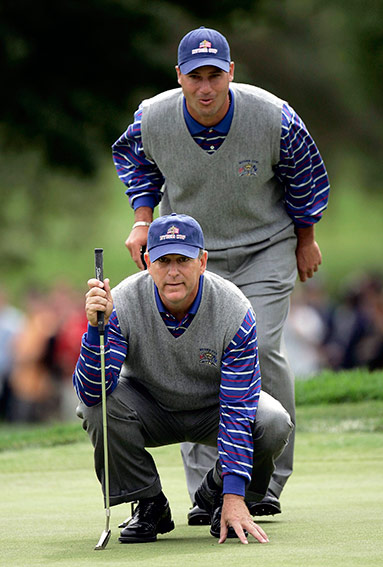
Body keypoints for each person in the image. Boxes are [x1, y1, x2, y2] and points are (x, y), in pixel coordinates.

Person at [112, 26, 330, 523]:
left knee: (260, 345)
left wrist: (306, 238)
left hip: (264, 246)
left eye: (215, 75)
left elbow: (306, 174)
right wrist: (143, 220)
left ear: (231, 73)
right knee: (190, 354)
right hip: (187, 254)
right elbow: (137, 163)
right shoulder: (153, 116)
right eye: (195, 77)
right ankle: (205, 492)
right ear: (180, 78)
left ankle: (264, 481)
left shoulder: (273, 116)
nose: (205, 87)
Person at [73, 213, 293, 544]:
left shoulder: (234, 310)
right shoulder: (121, 303)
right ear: (147, 262)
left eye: (183, 259)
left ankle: (221, 493)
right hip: (150, 407)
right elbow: (92, 393)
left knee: (273, 420)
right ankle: (150, 503)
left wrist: (235, 494)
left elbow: (237, 407)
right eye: (163, 260)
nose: (173, 271)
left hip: (214, 408)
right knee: (97, 409)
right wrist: (95, 330)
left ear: (202, 261)